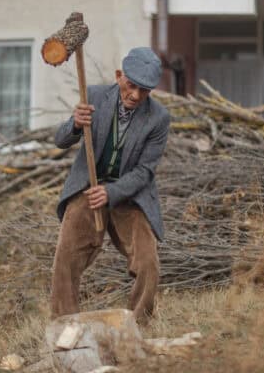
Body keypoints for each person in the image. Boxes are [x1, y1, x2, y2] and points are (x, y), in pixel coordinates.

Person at [50, 46, 171, 324]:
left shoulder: (158, 118)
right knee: (65, 258)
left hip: (129, 195)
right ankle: (64, 326)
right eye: (131, 86)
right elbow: (60, 140)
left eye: (145, 91)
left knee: (148, 264)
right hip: (88, 188)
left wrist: (112, 192)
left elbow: (144, 172)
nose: (136, 95)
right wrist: (76, 126)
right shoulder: (92, 96)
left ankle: (137, 326)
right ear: (119, 76)